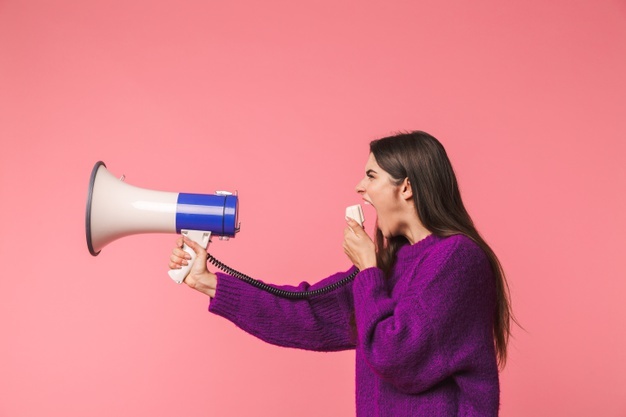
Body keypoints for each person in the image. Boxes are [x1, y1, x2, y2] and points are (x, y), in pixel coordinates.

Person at [168, 131, 513, 416]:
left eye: (371, 176)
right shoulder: (389, 265)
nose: (359, 187)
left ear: (405, 187)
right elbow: (307, 314)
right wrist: (208, 282)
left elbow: (395, 354)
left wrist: (367, 269)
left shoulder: (457, 259)